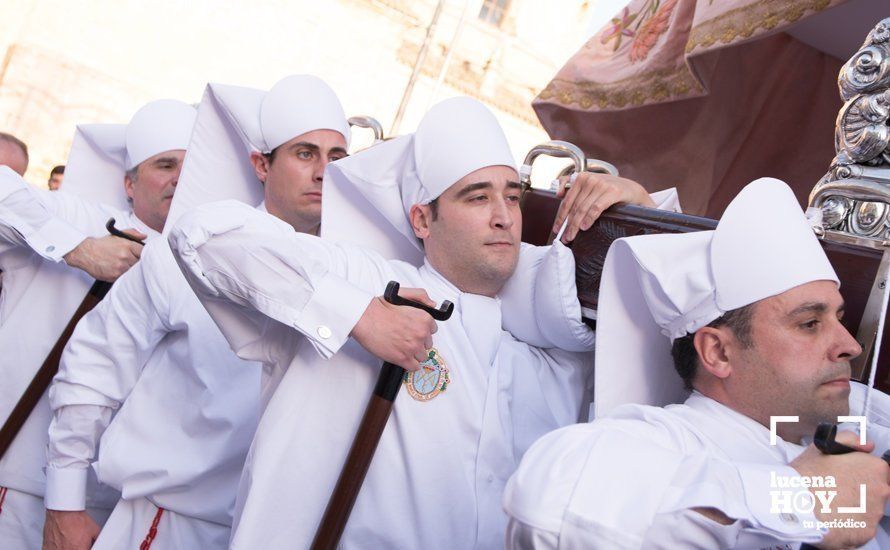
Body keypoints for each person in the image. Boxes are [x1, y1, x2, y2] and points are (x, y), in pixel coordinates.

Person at [168, 96, 680, 548]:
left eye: (511, 196)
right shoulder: (372, 281)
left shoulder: (556, 347)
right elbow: (202, 234)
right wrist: (360, 315)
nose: (503, 215)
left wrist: (643, 215)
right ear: (421, 220)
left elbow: (677, 323)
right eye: (477, 197)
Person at [43, 74, 354, 550]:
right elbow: (93, 371)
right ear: (261, 164)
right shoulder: (179, 253)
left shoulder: (356, 278)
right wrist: (65, 503)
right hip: (169, 524)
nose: (323, 173)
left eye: (337, 158)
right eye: (305, 153)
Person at [503, 178, 890, 549]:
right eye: (809, 324)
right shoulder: (670, 439)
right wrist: (795, 498)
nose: (850, 346)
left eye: (839, 319)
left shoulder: (851, 437)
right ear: (718, 353)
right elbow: (552, 503)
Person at [0, 100, 195, 549]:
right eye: (165, 165)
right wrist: (80, 249)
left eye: (190, 167)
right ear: (129, 183)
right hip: (20, 483)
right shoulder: (80, 219)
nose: (179, 179)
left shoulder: (208, 266)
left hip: (117, 510)